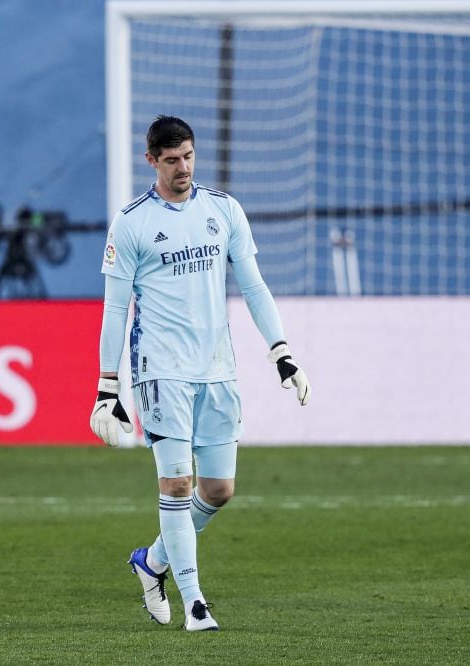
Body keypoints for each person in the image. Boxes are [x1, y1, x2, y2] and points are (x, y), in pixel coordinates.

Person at [89, 116, 312, 631]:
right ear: (152, 161)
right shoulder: (132, 222)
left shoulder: (223, 210)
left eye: (188, 156)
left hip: (217, 369)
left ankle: (153, 562)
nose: (183, 167)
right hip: (160, 370)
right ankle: (195, 603)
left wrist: (282, 351)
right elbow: (115, 310)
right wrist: (107, 386)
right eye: (171, 160)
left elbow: (253, 287)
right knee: (175, 481)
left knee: (217, 491)